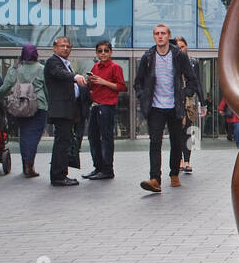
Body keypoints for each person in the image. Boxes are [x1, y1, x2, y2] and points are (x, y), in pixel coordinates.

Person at [134, 23, 198, 193]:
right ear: (154, 36)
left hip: (175, 106)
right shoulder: (148, 56)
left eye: (163, 33)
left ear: (168, 36)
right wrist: (143, 95)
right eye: (157, 33)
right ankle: (155, 179)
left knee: (176, 141)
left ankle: (174, 174)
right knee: (155, 142)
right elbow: (138, 82)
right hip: (155, 106)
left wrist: (185, 93)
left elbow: (192, 79)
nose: (160, 36)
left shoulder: (178, 55)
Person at [0, 43, 48, 178]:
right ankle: (29, 166)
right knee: (34, 136)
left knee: (24, 135)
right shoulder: (42, 69)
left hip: (20, 106)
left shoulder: (15, 69)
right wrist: (49, 103)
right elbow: (47, 88)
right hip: (38, 105)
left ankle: (26, 163)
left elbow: (6, 86)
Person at [44, 36, 87, 186]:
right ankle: (58, 176)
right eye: (62, 46)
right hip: (61, 110)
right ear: (54, 48)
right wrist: (75, 77)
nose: (65, 48)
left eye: (68, 46)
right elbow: (59, 74)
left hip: (68, 109)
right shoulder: (53, 62)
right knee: (62, 143)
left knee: (64, 142)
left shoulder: (65, 64)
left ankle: (61, 173)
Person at [83, 40, 125, 180]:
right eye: (100, 51)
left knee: (106, 138)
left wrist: (103, 82)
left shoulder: (115, 67)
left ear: (111, 52)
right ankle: (98, 167)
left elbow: (121, 87)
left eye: (106, 50)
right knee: (93, 137)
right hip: (95, 104)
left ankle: (107, 169)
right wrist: (90, 82)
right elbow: (91, 87)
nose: (103, 53)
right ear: (96, 53)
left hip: (107, 105)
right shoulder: (96, 66)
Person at [175, 36, 201, 173]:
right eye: (178, 47)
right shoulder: (172, 62)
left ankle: (187, 161)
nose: (180, 49)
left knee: (188, 132)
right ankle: (179, 161)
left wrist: (202, 104)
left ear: (186, 47)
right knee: (178, 133)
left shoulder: (193, 62)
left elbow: (197, 83)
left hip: (190, 103)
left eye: (182, 46)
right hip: (176, 102)